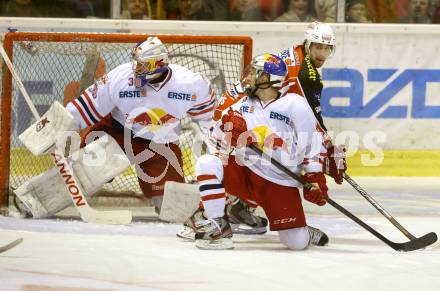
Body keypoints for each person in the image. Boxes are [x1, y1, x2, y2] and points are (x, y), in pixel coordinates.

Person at [193, 53, 329, 250]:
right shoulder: (242, 105)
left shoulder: (294, 104)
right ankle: (218, 226)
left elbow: (313, 143)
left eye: (255, 73)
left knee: (295, 243)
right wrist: (229, 130)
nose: (248, 77)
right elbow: (215, 137)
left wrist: (314, 176)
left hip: (278, 181)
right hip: (246, 174)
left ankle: (304, 231)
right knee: (207, 162)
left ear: (266, 79)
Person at [65, 36, 215, 213]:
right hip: (117, 135)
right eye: (136, 63)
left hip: (160, 145)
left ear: (158, 64)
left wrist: (216, 152)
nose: (136, 68)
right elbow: (85, 107)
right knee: (80, 174)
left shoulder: (191, 84)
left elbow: (209, 121)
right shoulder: (121, 77)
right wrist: (59, 127)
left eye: (142, 65)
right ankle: (34, 200)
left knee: (171, 207)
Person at [216, 22, 347, 186]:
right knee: (271, 157)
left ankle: (241, 204)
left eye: (327, 48)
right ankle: (210, 207)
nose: (323, 53)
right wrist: (328, 148)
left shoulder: (297, 53)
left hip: (235, 107)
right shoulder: (305, 75)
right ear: (308, 44)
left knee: (264, 154)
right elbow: (312, 119)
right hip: (235, 114)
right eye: (318, 47)